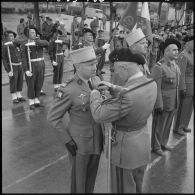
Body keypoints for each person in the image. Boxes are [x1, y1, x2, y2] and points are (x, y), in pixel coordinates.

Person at [90, 48, 157, 193]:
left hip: (125, 149)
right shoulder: (150, 83)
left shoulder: (128, 95)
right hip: (141, 144)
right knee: (137, 184)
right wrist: (113, 87)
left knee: (123, 187)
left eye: (115, 70)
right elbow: (132, 92)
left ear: (124, 67)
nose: (115, 74)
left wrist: (95, 93)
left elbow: (99, 115)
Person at [47, 46, 104, 193]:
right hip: (80, 143)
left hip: (97, 139)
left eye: (95, 63)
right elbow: (53, 118)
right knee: (79, 182)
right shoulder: (68, 89)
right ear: (78, 66)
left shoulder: (96, 80)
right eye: (90, 64)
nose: (94, 67)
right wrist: (67, 141)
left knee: (91, 179)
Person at [149, 38, 181, 156]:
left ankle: (163, 143)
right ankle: (156, 146)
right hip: (163, 101)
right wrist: (158, 104)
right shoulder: (159, 67)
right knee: (159, 125)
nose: (177, 52)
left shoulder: (175, 65)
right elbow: (155, 88)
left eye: (177, 50)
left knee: (167, 124)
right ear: (166, 52)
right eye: (174, 50)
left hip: (173, 100)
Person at [21, 25, 49, 110]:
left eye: (34, 32)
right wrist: (26, 70)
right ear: (27, 34)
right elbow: (23, 58)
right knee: (31, 84)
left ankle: (36, 100)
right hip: (31, 65)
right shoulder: (25, 44)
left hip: (40, 65)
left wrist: (37, 41)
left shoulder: (39, 42)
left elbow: (47, 43)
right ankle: (31, 102)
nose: (34, 34)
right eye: (32, 32)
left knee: (39, 82)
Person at [173, 39, 194, 136]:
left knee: (189, 108)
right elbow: (181, 73)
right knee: (182, 107)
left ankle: (184, 125)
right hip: (186, 84)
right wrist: (182, 87)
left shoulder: (191, 54)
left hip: (192, 84)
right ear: (187, 44)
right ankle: (178, 128)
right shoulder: (183, 55)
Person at [2, 30, 26, 104]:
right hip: (13, 66)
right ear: (7, 38)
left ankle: (19, 95)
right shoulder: (5, 47)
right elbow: (5, 60)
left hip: (20, 65)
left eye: (12, 36)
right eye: (9, 36)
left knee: (20, 80)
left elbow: (22, 42)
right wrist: (8, 70)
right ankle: (14, 97)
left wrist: (14, 42)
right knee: (13, 81)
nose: (11, 37)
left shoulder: (17, 45)